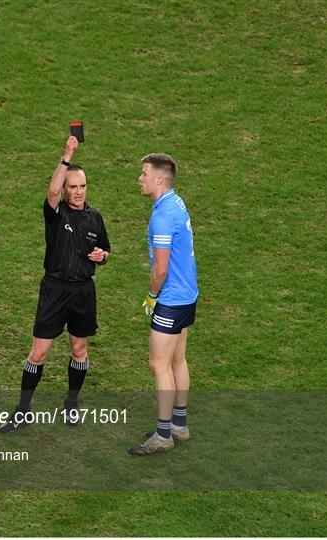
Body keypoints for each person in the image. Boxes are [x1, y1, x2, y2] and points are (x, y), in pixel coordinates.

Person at [0, 136, 111, 434]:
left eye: (82, 186)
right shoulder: (55, 212)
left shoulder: (95, 218)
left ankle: (71, 403)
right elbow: (50, 190)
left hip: (83, 291)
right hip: (55, 290)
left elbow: (104, 251)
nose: (77, 192)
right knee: (38, 353)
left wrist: (102, 255)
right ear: (64, 189)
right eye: (72, 187)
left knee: (79, 349)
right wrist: (67, 154)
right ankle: (23, 410)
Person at [129, 153, 198, 455]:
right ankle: (178, 424)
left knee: (159, 364)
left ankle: (163, 434)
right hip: (188, 296)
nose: (140, 179)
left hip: (170, 300)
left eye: (144, 174)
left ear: (159, 179)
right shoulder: (176, 202)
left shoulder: (161, 216)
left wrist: (151, 296)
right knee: (177, 360)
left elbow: (161, 268)